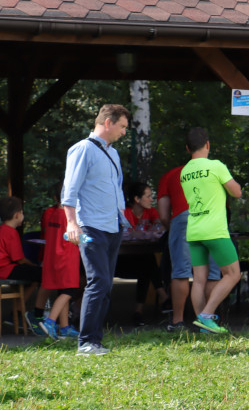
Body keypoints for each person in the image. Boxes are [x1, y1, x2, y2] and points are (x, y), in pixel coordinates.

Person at [62, 103, 132, 356]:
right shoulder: (82, 149)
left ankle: (96, 341)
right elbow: (69, 191)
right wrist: (72, 223)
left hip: (113, 226)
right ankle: (86, 342)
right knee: (98, 281)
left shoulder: (113, 153)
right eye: (122, 126)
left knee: (106, 284)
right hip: (90, 225)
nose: (124, 132)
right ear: (108, 123)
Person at [180, 127, 242, 334]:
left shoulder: (185, 171)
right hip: (215, 230)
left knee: (198, 279)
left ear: (188, 148)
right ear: (208, 144)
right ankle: (206, 316)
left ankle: (202, 324)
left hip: (194, 230)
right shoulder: (216, 166)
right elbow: (236, 192)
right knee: (233, 274)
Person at [158, 151, 222, 333]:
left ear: (187, 149)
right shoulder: (215, 170)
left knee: (180, 271)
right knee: (211, 273)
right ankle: (207, 320)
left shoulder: (171, 175)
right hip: (212, 221)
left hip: (183, 220)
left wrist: (174, 229)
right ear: (207, 146)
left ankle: (177, 321)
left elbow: (163, 214)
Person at [119, 181, 169, 325]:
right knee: (147, 262)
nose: (151, 199)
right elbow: (128, 234)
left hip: (139, 259)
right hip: (121, 260)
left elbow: (160, 228)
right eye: (148, 196)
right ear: (137, 199)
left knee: (146, 264)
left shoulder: (150, 211)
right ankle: (164, 297)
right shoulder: (125, 213)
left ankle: (138, 313)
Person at [0, 196, 46, 334]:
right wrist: (33, 265)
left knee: (34, 277)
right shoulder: (11, 232)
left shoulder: (2, 229)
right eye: (22, 212)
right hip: (6, 269)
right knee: (43, 274)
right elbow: (19, 259)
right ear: (17, 215)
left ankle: (18, 312)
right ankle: (32, 313)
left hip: (5, 268)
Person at [39, 197, 80, 339]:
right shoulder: (69, 217)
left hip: (55, 258)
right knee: (69, 291)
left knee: (63, 291)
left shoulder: (54, 213)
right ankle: (50, 321)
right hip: (67, 258)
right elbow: (75, 237)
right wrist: (93, 238)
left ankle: (65, 327)